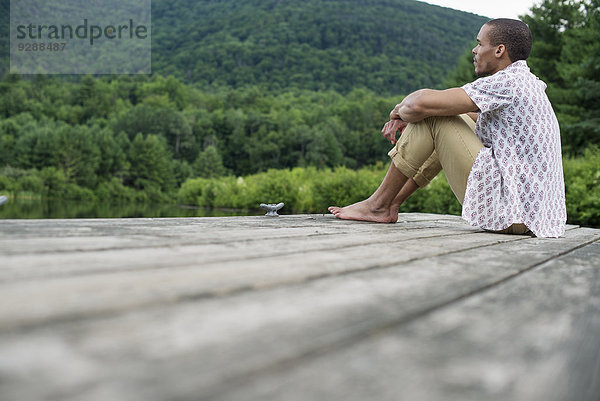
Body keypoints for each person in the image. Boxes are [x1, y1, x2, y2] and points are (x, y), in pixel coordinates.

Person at [328, 18, 566, 238]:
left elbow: (419, 104)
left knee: (435, 118)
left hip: (513, 213)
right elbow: (463, 116)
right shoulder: (527, 83)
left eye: (479, 44)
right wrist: (413, 114)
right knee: (449, 115)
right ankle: (390, 204)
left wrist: (397, 112)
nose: (474, 50)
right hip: (533, 215)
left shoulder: (508, 82)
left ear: (499, 50)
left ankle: (378, 204)